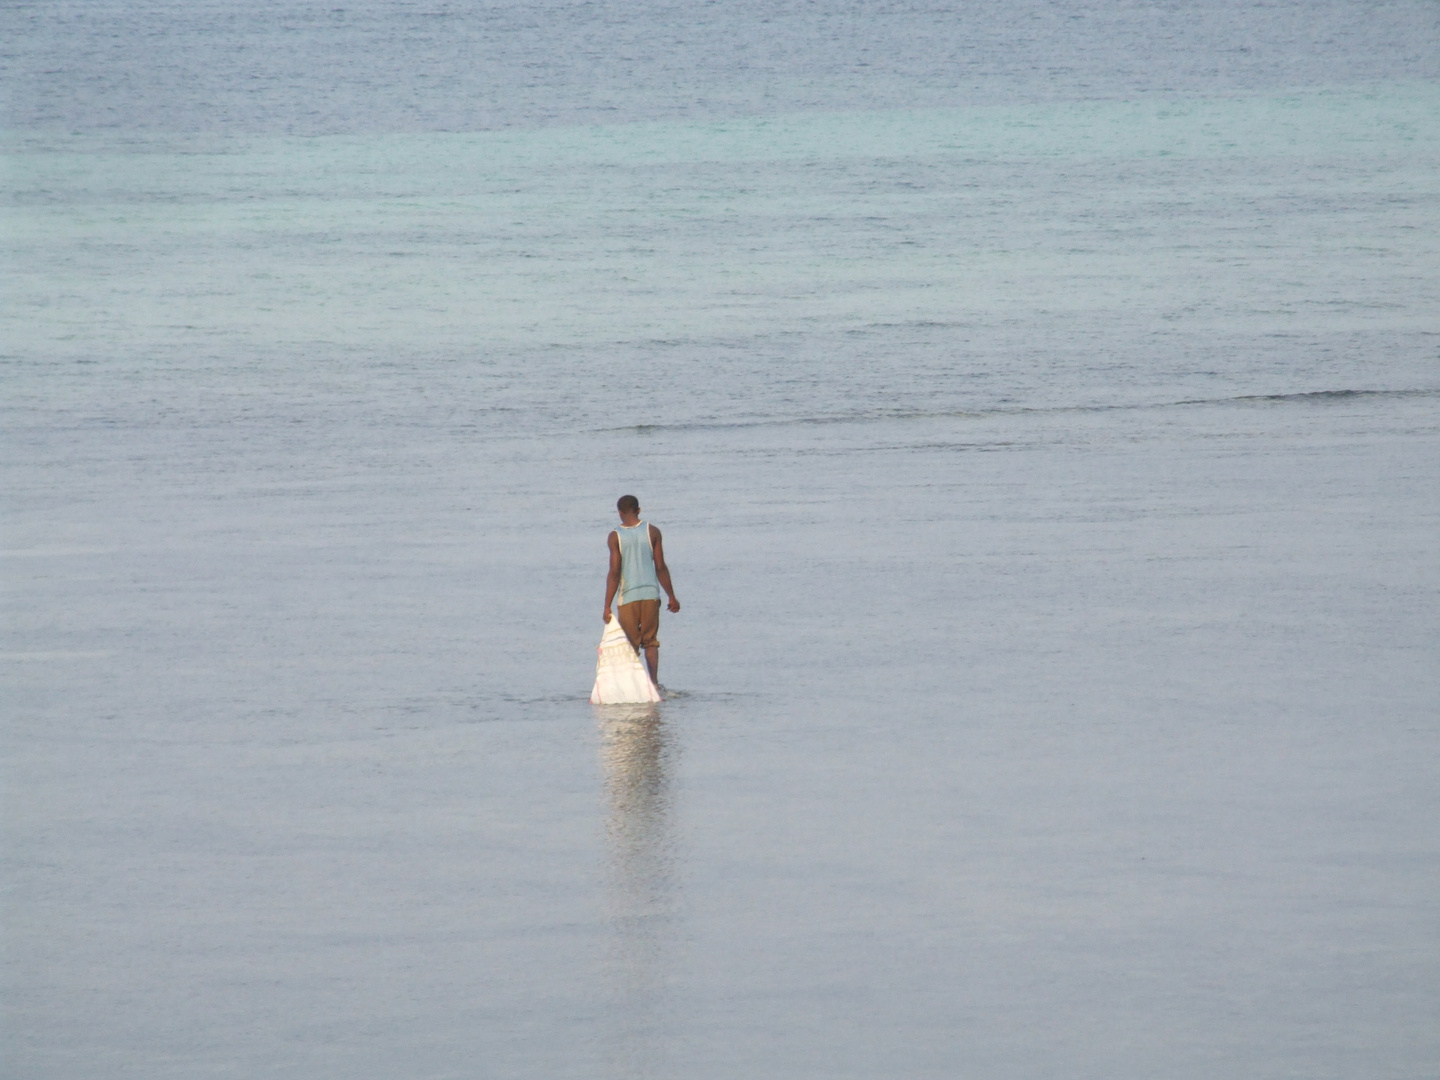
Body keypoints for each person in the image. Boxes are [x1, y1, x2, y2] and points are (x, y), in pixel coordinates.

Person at [604, 495, 680, 687]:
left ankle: (633, 686)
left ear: (620, 513)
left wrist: (607, 606)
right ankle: (654, 684)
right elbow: (660, 567)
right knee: (651, 642)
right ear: (639, 510)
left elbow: (614, 572)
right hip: (651, 596)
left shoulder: (615, 536)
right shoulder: (652, 531)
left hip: (628, 597)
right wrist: (671, 596)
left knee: (630, 645)